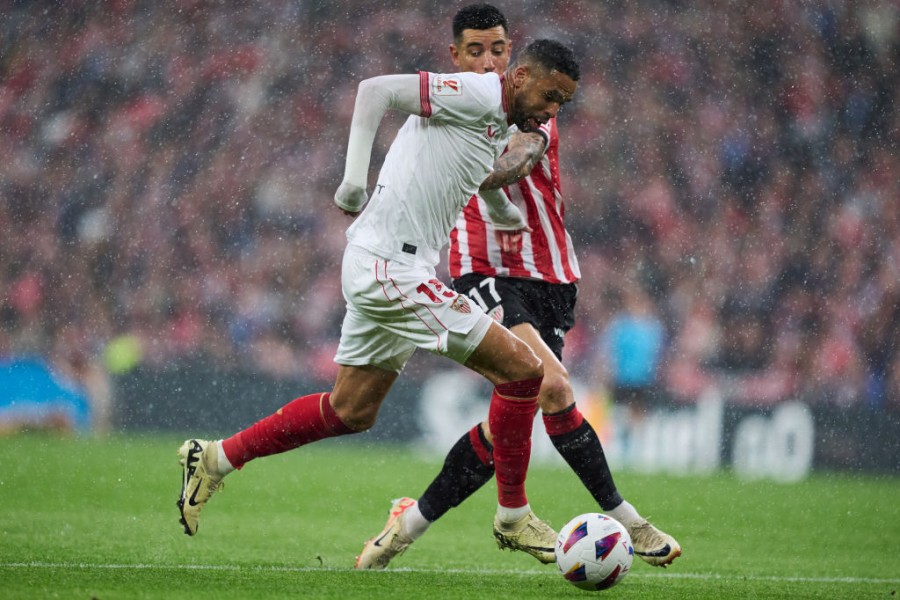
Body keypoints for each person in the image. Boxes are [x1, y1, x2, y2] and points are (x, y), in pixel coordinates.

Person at [177, 36, 581, 562]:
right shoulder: (480, 94)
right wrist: (351, 181)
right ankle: (513, 517)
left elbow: (472, 183)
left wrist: (506, 213)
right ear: (523, 77)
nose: (553, 111)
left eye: (562, 105)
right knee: (526, 373)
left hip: (381, 265)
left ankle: (215, 458)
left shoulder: (495, 120)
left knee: (350, 410)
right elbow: (375, 91)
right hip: (394, 269)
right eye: (551, 96)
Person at [354, 3, 680, 570]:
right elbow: (469, 161)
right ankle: (625, 518)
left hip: (552, 275)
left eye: (497, 50)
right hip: (485, 268)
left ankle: (406, 525)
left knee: (512, 415)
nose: (488, 60)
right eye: (475, 50)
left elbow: (521, 152)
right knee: (551, 386)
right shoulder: (460, 105)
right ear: (457, 55)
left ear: (514, 59)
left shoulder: (532, 110)